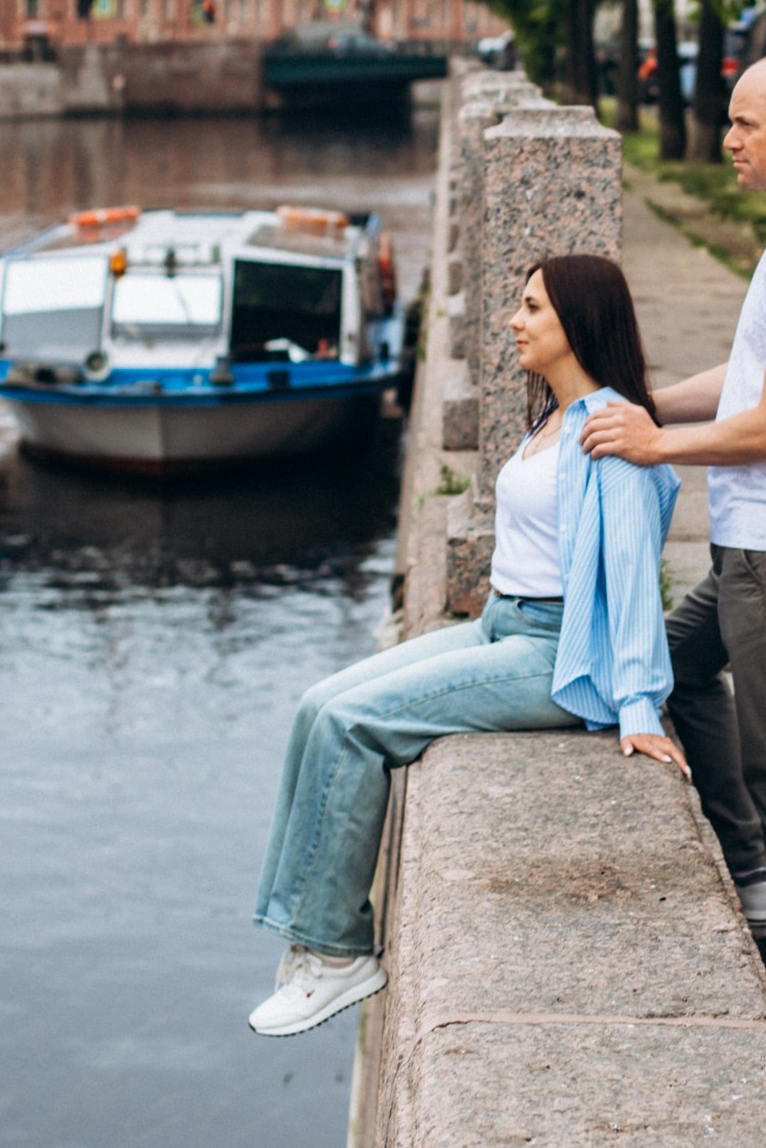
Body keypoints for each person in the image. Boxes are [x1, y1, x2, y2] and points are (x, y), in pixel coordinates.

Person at [247, 254, 686, 1038]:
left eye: (531, 309)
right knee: (320, 703)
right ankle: (301, 941)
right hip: (502, 624)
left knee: (357, 726)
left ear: (577, 325)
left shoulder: (611, 432)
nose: (514, 321)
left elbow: (630, 573)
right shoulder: (555, 412)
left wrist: (641, 705)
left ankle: (336, 951)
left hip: (560, 655)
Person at [580, 51, 766, 1047]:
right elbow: (757, 375)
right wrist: (651, 401)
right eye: (729, 120)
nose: (729, 139)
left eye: (746, 121)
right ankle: (754, 876)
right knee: (667, 665)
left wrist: (654, 443)